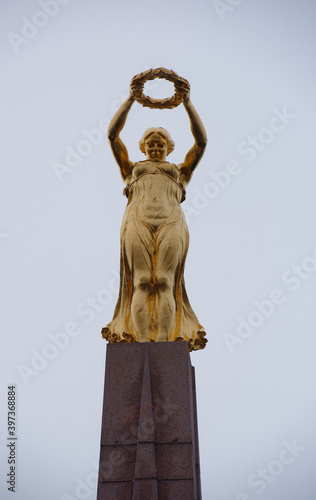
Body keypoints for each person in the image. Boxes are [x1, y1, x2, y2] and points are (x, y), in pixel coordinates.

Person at [101, 76, 208, 350]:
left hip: (171, 222)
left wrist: (187, 102)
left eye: (161, 144)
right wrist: (131, 99)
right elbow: (112, 136)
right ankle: (141, 343)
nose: (156, 147)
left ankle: (162, 344)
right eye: (151, 144)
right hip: (137, 221)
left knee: (163, 281)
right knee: (142, 281)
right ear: (143, 147)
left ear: (169, 148)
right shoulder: (131, 170)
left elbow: (201, 143)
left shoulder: (179, 172)